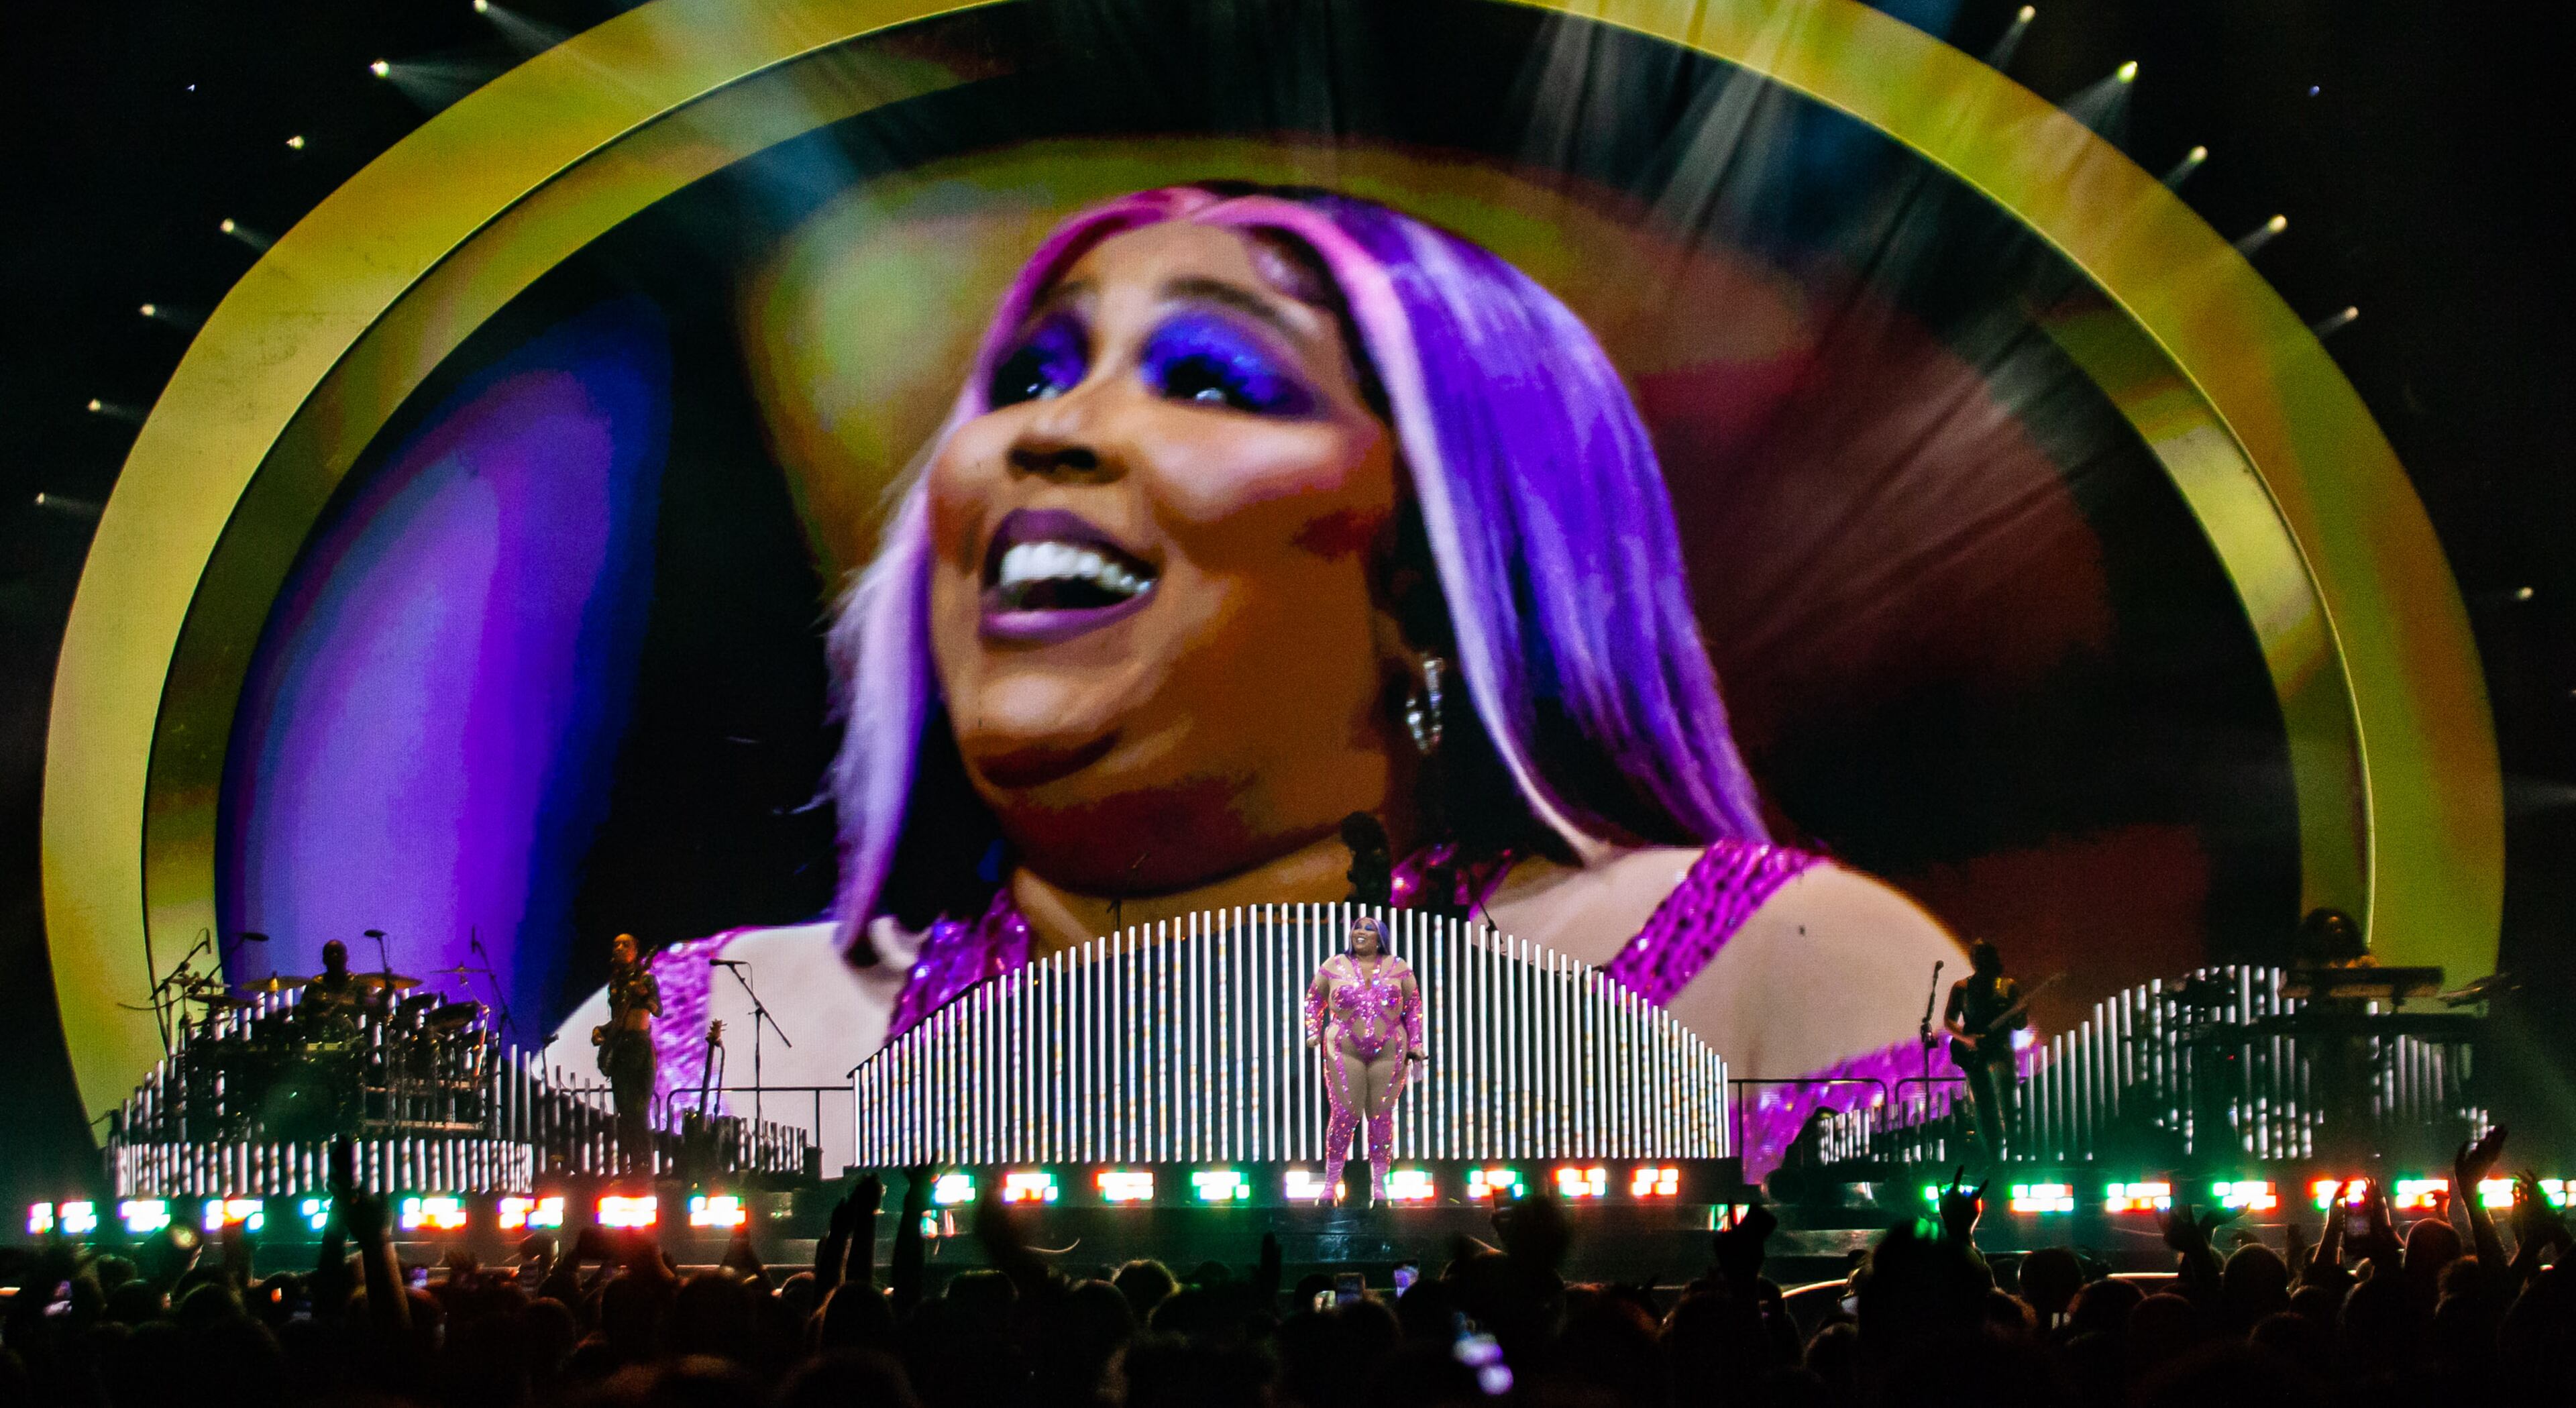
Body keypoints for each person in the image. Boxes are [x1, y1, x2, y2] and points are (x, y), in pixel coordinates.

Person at [562, 184, 1962, 1162]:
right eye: (1034, 374)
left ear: (1429, 566)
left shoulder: (1779, 979)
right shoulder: (707, 1037)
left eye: (1215, 379)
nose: (1051, 430)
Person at [1304, 916, 1425, 1205]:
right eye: (1357, 927)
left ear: (1380, 937)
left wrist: (1417, 1044)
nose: (1360, 932)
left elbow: (1414, 1007)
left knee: (1380, 1116)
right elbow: (1313, 1000)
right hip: (1344, 1046)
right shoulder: (1333, 965)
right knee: (1345, 1114)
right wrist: (1313, 1031)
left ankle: (1380, 1186)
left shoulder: (1399, 967)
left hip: (1390, 1048)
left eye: (1369, 929)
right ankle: (1331, 1183)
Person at [1943, 941, 2022, 1161]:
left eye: (1983, 956)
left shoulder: (2009, 987)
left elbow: (2019, 1024)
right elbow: (1949, 1020)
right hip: (1976, 1054)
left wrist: (2021, 1013)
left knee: (2009, 1102)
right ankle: (1994, 1156)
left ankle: (2015, 1153)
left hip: (2002, 1051)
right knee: (1984, 1103)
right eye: (1976, 957)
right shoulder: (1962, 987)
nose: (1979, 961)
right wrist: (1966, 1039)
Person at [593, 934, 660, 1177]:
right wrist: (601, 1031)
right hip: (621, 1048)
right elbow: (618, 1019)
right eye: (616, 945)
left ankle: (645, 1164)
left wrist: (642, 993)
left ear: (637, 951)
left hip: (641, 1049)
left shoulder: (646, 978)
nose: (620, 948)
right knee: (626, 1112)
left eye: (626, 945)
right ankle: (629, 1164)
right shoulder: (615, 983)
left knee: (640, 1108)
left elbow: (657, 1009)